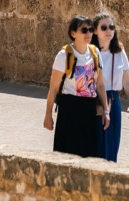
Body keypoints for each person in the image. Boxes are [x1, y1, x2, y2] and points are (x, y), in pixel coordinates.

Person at [43, 15, 109, 159]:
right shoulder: (64, 56)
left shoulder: (95, 53)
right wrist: (48, 115)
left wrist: (106, 110)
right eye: (84, 30)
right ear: (73, 33)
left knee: (88, 155)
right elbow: (53, 88)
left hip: (89, 110)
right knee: (67, 154)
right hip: (70, 110)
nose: (88, 33)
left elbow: (100, 84)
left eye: (91, 29)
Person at [91, 12, 129, 162]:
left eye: (111, 27)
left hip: (114, 100)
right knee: (96, 146)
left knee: (112, 146)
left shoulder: (119, 51)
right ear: (95, 31)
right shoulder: (90, 52)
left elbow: (127, 81)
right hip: (95, 100)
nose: (108, 31)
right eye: (104, 27)